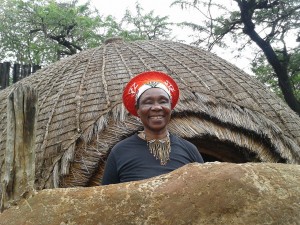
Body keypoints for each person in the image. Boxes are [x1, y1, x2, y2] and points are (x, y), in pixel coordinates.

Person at [101, 71, 204, 185]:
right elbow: (106, 197)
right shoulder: (120, 151)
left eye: (163, 101)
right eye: (148, 102)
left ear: (171, 107)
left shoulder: (189, 150)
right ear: (138, 110)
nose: (156, 107)